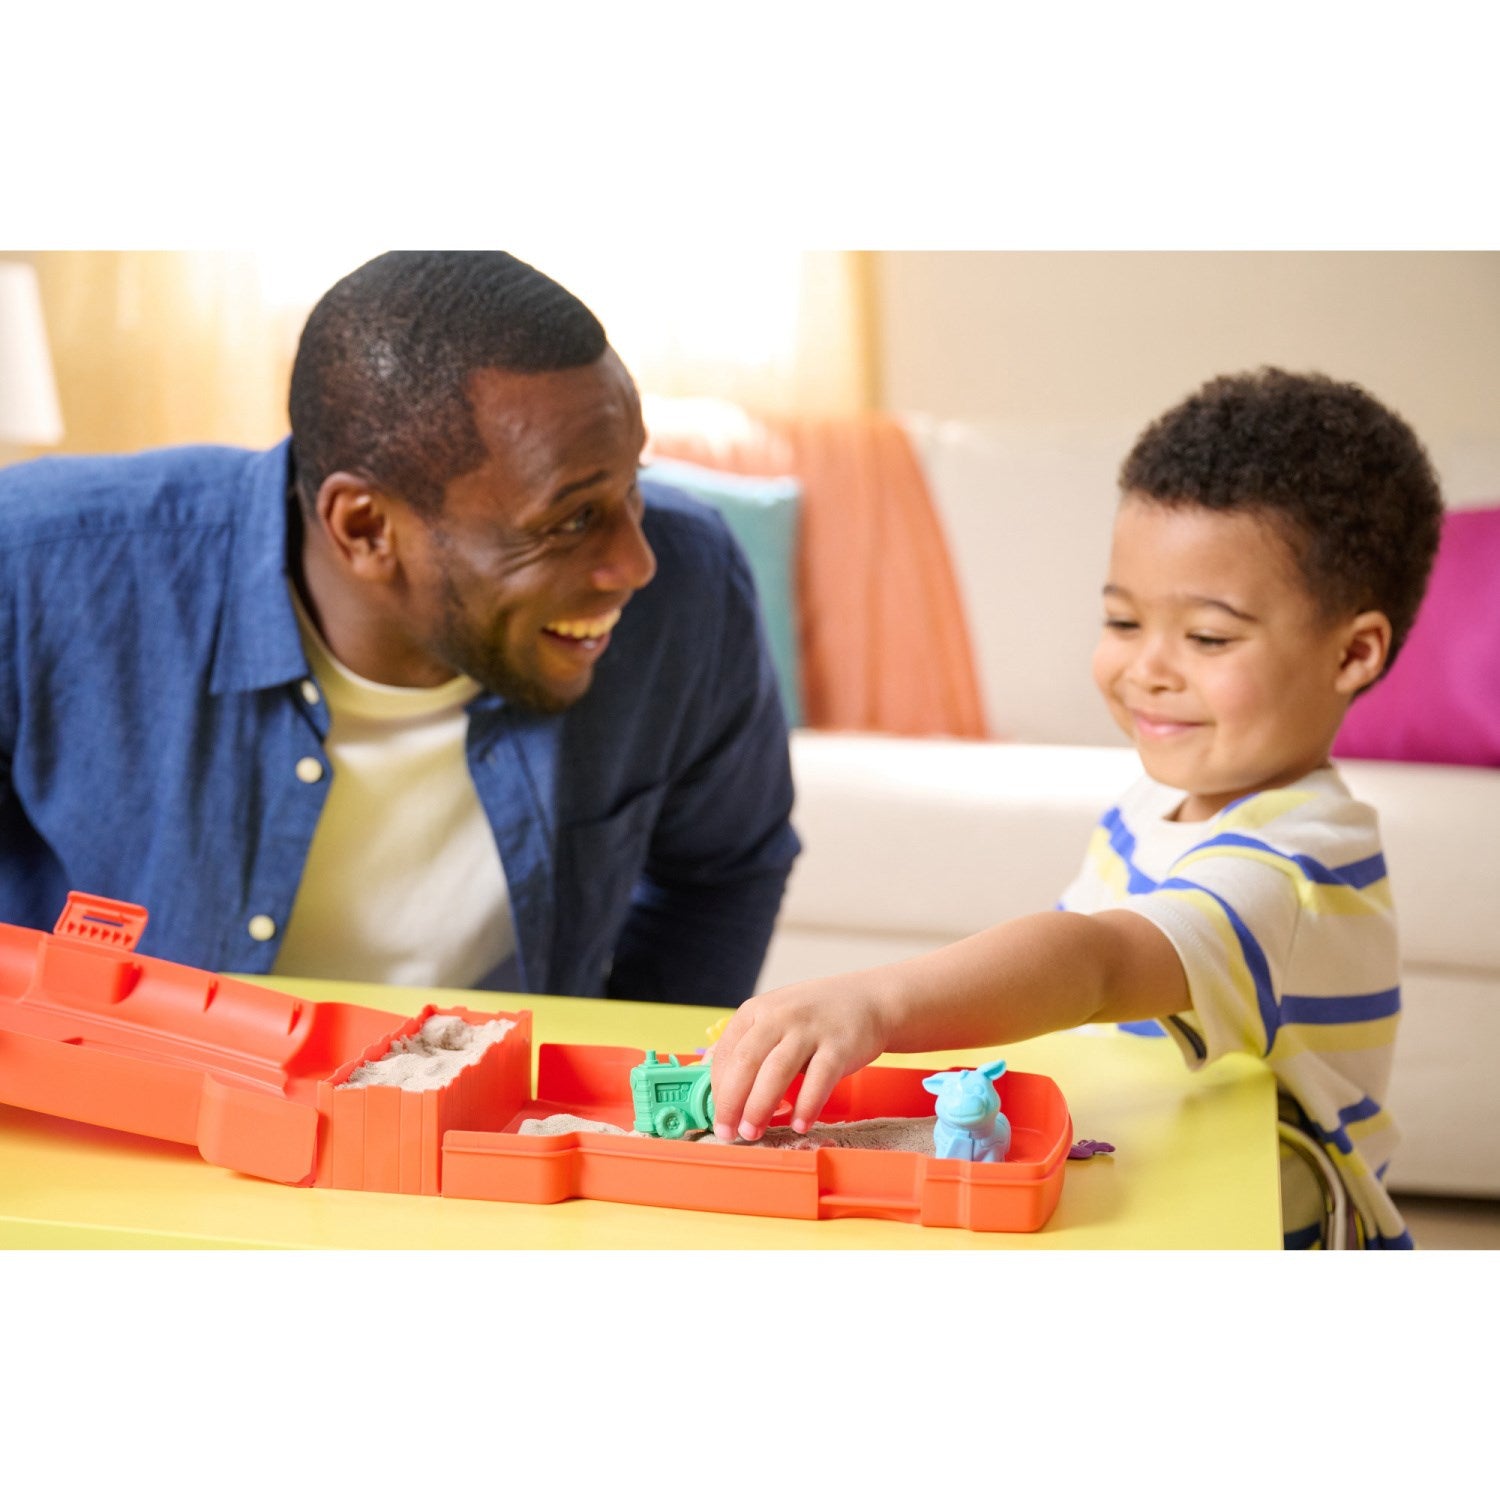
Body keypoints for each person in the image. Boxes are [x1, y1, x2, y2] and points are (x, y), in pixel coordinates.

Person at [709, 367, 1443, 1249]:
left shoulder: (1293, 868)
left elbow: (1098, 962)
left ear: (1353, 654)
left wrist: (876, 1002)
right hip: (1157, 1183)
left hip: (1273, 1235)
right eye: (1124, 622)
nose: (1148, 669)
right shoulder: (1162, 797)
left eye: (1208, 637)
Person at [0, 251, 799, 1004]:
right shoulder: (39, 569)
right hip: (118, 1097)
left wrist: (624, 1086)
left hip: (494, 1099)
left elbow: (722, 872)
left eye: (632, 487)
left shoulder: (691, 585)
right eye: (571, 520)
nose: (635, 563)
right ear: (366, 527)